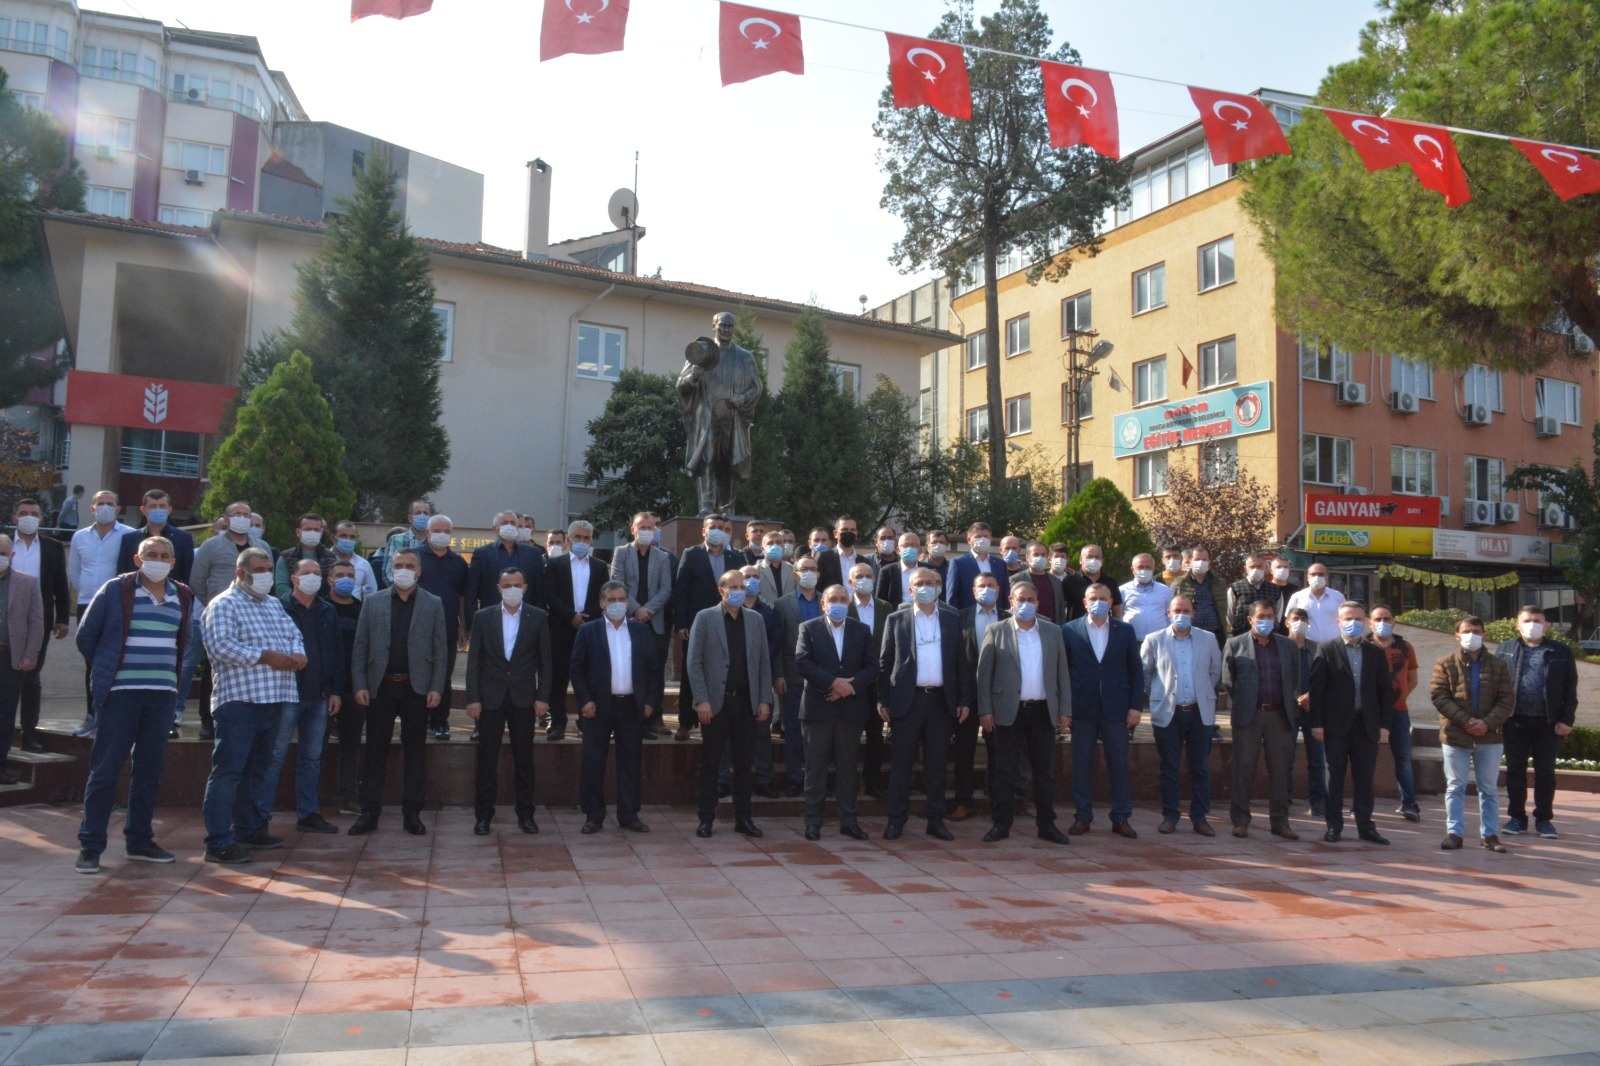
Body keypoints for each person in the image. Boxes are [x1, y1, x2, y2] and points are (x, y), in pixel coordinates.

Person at [71, 536, 189, 872]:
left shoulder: (182, 595)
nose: (158, 560)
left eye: (165, 555)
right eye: (151, 554)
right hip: (120, 694)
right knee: (106, 770)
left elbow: (184, 641)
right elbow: (86, 636)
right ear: (137, 559)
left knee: (149, 772)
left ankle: (139, 841)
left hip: (162, 695)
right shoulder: (115, 590)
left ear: (173, 563)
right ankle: (90, 846)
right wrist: (108, 667)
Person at [199, 547, 305, 864]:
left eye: (268, 569)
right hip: (239, 701)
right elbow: (220, 646)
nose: (265, 576)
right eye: (258, 570)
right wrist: (264, 656)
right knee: (229, 771)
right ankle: (218, 841)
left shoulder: (273, 604)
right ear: (240, 573)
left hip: (275, 699)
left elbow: (294, 635)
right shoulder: (224, 604)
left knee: (257, 770)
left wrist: (298, 654)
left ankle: (249, 829)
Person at [349, 548, 449, 836]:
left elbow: (440, 650)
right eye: (398, 565)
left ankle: (412, 814)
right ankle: (369, 813)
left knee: (415, 752)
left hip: (416, 688)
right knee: (375, 751)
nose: (403, 570)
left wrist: (436, 687)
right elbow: (360, 645)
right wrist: (360, 684)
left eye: (409, 565)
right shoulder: (373, 601)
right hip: (380, 687)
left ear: (419, 571)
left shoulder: (433, 603)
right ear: (390, 570)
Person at [878, 567, 972, 841]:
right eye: (919, 583)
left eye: (930, 583)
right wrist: (883, 699)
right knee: (901, 765)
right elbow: (885, 663)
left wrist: (963, 699)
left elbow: (961, 663)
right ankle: (896, 821)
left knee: (937, 766)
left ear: (938, 587)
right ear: (910, 589)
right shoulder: (896, 619)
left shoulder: (952, 619)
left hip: (941, 702)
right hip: (907, 702)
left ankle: (935, 821)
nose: (925, 587)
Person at [977, 580, 1072, 844]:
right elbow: (984, 675)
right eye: (1021, 599)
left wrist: (1065, 710)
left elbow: (1062, 673)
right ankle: (1001, 824)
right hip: (1008, 711)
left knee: (1044, 772)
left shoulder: (1053, 631)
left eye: (1031, 600)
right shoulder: (996, 631)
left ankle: (1047, 825)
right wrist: (985, 709)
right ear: (1011, 602)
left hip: (1043, 711)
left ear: (1038, 603)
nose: (1026, 604)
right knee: (1004, 771)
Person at [465, 566, 551, 835]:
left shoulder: (538, 616)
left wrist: (542, 697)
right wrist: (473, 698)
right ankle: (483, 816)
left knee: (524, 759)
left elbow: (545, 662)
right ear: (498, 589)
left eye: (517, 585)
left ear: (524, 588)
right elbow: (473, 661)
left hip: (524, 698)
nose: (512, 589)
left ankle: (526, 815)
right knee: (487, 759)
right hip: (490, 698)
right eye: (507, 585)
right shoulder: (483, 616)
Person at [260, 558, 343, 836]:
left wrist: (335, 691)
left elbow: (336, 652)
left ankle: (308, 813)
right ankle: (259, 816)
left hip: (319, 695)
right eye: (306, 573)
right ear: (293, 578)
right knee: (275, 756)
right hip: (286, 694)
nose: (312, 577)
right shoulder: (277, 607)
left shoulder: (327, 610)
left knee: (312, 757)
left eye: (317, 573)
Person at [687, 570, 773, 838]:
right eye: (733, 587)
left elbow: (763, 662)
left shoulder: (756, 620)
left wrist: (764, 699)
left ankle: (743, 818)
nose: (739, 591)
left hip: (746, 702)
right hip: (715, 703)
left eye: (742, 587)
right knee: (711, 763)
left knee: (744, 764)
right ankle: (706, 819)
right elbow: (694, 662)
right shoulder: (705, 618)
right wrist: (701, 700)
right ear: (721, 591)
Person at [572, 581, 657, 834]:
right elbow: (577, 669)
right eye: (611, 600)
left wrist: (650, 701)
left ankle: (629, 815)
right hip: (598, 706)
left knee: (630, 762)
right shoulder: (588, 631)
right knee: (593, 761)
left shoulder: (641, 631)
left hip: (631, 706)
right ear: (602, 603)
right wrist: (585, 700)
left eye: (621, 599)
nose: (617, 604)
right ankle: (594, 816)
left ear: (628, 602)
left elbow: (653, 669)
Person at [1305, 601, 1393, 845]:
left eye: (1357, 618)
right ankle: (1334, 826)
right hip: (1336, 726)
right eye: (1348, 618)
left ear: (1365, 622)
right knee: (1335, 777)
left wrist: (1384, 725)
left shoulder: (1375, 653)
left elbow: (1385, 691)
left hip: (1366, 725)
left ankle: (1365, 826)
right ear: (1339, 622)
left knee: (1364, 777)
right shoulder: (1327, 649)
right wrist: (1317, 723)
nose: (1353, 623)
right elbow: (1317, 689)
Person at [796, 583, 878, 841]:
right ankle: (813, 821)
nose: (838, 604)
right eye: (833, 599)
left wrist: (849, 688)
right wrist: (833, 683)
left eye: (843, 599)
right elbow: (803, 662)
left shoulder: (861, 630)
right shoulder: (808, 628)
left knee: (848, 769)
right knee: (815, 769)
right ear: (823, 603)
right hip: (818, 710)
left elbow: (872, 667)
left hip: (850, 710)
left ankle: (849, 821)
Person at [1062, 583, 1144, 837]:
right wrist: (1065, 708)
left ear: (1111, 602)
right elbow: (1063, 672)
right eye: (1092, 598)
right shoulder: (1069, 630)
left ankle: (1121, 817)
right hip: (1081, 709)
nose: (1097, 602)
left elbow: (1135, 670)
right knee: (1081, 765)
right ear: (1085, 602)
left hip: (1116, 709)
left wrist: (1135, 706)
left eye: (1103, 598)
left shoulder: (1125, 631)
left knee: (1118, 765)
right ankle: (1082, 816)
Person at [1431, 615, 1514, 852]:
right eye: (1467, 631)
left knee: (1488, 788)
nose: (1472, 636)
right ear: (1457, 636)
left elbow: (1507, 699)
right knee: (1455, 786)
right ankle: (1454, 833)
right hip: (1456, 735)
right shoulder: (1445, 663)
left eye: (1476, 631)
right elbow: (1439, 696)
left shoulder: (1498, 665)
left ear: (1484, 635)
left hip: (1489, 736)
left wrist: (1486, 723)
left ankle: (1489, 835)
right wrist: (1466, 721)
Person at [1141, 595, 1222, 836]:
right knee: (1169, 767)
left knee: (1200, 768)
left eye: (1186, 611)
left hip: (1199, 713)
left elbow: (1214, 671)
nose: (1181, 615)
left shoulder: (1208, 639)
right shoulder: (1154, 639)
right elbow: (1145, 673)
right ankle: (1170, 816)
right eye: (1177, 610)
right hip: (1168, 713)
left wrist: (1202, 692)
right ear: (1168, 613)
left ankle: (1200, 817)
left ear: (1193, 613)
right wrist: (1159, 695)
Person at [190, 501, 271, 741]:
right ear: (226, 519)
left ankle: (247, 718)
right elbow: (197, 580)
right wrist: (213, 604)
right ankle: (208, 720)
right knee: (212, 668)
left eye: (246, 514)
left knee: (250, 664)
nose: (242, 518)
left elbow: (267, 577)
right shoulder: (211, 546)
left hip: (253, 616)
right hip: (221, 615)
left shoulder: (262, 546)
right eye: (237, 514)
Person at [1496, 605, 1578, 839]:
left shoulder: (1560, 651)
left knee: (1545, 773)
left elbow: (1570, 689)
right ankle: (1516, 818)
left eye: (1537, 620)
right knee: (1515, 772)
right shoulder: (1505, 649)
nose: (1532, 624)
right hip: (1515, 721)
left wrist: (1566, 719)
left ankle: (1544, 820)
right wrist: (1498, 715)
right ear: (1517, 625)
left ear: (1546, 625)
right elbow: (1496, 684)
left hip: (1548, 723)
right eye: (1527, 620)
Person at [1224, 601, 1301, 840]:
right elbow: (1228, 681)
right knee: (1243, 769)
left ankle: (1280, 822)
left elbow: (1294, 678)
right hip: (1250, 716)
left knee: (1280, 771)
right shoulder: (1235, 644)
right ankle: (1240, 821)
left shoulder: (1287, 646)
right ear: (1250, 619)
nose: (1266, 620)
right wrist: (1246, 702)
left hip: (1280, 715)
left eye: (1270, 616)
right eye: (1261, 616)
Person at [678, 311, 762, 514]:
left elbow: (756, 387)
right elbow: (680, 385)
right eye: (722, 325)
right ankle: (706, 507)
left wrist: (743, 398)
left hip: (733, 416)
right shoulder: (701, 352)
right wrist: (693, 377)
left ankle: (727, 509)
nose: (726, 329)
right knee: (706, 459)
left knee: (731, 462)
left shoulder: (745, 357)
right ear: (714, 326)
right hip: (707, 416)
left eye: (730, 326)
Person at [673, 513, 745, 741]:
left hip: (729, 620)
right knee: (691, 670)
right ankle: (686, 722)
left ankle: (724, 718)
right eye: (713, 526)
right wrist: (681, 623)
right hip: (697, 622)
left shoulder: (736, 557)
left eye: (722, 527)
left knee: (725, 668)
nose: (717, 530)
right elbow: (681, 591)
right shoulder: (692, 554)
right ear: (704, 531)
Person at [67, 490, 133, 736]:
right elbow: (74, 571)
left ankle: (115, 718)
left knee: (118, 660)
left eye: (110, 503)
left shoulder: (129, 535)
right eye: (100, 503)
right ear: (92, 508)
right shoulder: (79, 537)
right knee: (91, 661)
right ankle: (91, 716)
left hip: (117, 605)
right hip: (87, 604)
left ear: (118, 508)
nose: (105, 507)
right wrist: (89, 594)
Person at [8, 499, 69, 754]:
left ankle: (29, 733)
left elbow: (60, 585)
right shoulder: (4, 544)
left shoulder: (52, 547)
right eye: (23, 513)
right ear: (14, 517)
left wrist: (63, 618)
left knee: (31, 679)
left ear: (41, 518)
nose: (28, 517)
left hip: (38, 622)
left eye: (34, 513)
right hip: (5, 621)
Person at [608, 511, 673, 737]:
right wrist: (636, 609)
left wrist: (648, 610)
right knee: (626, 669)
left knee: (655, 672)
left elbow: (665, 589)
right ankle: (626, 721)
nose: (646, 531)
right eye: (642, 527)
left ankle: (654, 719)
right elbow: (617, 583)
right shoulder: (621, 552)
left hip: (655, 623)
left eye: (650, 527)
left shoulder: (663, 557)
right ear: (632, 530)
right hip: (628, 619)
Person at [953, 572, 1006, 823]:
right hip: (968, 695)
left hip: (999, 695)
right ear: (974, 591)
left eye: (990, 585)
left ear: (999, 589)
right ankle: (964, 801)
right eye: (981, 586)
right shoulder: (959, 618)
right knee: (964, 751)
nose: (986, 589)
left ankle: (997, 800)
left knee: (998, 751)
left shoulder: (1008, 618)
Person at [771, 554, 825, 797]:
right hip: (792, 677)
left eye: (813, 569)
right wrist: (778, 675)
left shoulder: (829, 601)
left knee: (821, 732)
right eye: (804, 569)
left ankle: (816, 781)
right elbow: (778, 643)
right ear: (795, 574)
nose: (809, 573)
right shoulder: (782, 604)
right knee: (793, 730)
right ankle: (795, 779)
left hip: (823, 677)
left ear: (819, 574)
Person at [418, 515, 469, 741]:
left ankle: (440, 722)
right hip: (418, 629)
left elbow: (462, 597)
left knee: (443, 676)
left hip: (447, 629)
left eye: (446, 531)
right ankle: (418, 719)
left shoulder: (458, 562)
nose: (441, 534)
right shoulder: (415, 557)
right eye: (437, 530)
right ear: (427, 532)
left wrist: (463, 626)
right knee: (418, 675)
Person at [1368, 604, 1421, 821]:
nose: (1383, 623)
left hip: (1398, 711)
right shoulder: (1364, 645)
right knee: (1365, 758)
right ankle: (1362, 803)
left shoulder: (1405, 647)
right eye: (1378, 619)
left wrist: (1399, 697)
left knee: (1403, 757)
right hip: (1370, 712)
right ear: (1370, 623)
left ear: (1394, 622)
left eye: (1387, 619)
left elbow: (1412, 679)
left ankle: (1409, 804)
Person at [0, 536, 44, 787]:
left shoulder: (28, 583)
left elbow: (36, 622)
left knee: (5, 714)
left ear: (12, 556)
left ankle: (0, 765)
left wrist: (30, 654)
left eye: (3, 553)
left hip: (10, 658)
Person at [326, 559, 365, 815]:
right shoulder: (321, 608)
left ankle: (348, 797)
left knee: (351, 746)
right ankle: (310, 801)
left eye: (350, 575)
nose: (346, 579)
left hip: (354, 687)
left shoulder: (363, 609)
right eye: (340, 575)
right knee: (314, 747)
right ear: (329, 580)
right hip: (324, 688)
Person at [1285, 605, 1328, 817]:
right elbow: (1279, 678)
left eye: (1303, 619)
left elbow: (1324, 677)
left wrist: (1311, 696)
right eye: (1295, 618)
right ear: (1287, 622)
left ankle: (1318, 801)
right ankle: (1284, 799)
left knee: (1317, 759)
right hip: (1288, 709)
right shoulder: (1281, 647)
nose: (1299, 623)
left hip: (1314, 710)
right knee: (1286, 757)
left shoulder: (1317, 648)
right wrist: (1296, 698)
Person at [468, 510, 546, 620]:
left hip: (526, 618)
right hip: (491, 619)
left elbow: (540, 591)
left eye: (513, 523)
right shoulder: (482, 554)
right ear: (495, 529)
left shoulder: (533, 554)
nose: (509, 526)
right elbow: (471, 592)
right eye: (505, 523)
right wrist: (472, 622)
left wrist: (540, 621)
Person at [114, 489, 196, 585]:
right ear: (143, 510)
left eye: (162, 506)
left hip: (171, 591)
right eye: (152, 506)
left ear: (169, 510)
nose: (158, 510)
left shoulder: (183, 538)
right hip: (136, 591)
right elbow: (122, 573)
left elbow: (188, 574)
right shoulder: (130, 539)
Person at [1169, 547, 1227, 649]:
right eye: (1197, 559)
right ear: (1190, 561)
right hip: (1189, 633)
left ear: (1209, 561)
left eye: (1204, 559)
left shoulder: (1219, 583)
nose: (1200, 562)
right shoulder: (1179, 583)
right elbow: (1172, 608)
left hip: (1215, 633)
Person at [271, 513, 337, 598]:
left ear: (321, 532)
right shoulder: (286, 557)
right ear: (298, 532)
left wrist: (320, 603)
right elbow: (281, 587)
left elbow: (334, 584)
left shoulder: (331, 557)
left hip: (324, 604)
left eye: (316, 530)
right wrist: (301, 601)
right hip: (292, 604)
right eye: (308, 529)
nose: (312, 532)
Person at [946, 522, 1002, 610]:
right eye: (978, 537)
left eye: (986, 536)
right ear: (969, 540)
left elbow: (1004, 594)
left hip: (996, 614)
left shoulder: (1000, 563)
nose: (982, 540)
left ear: (990, 539)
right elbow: (952, 596)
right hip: (968, 615)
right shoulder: (958, 563)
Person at [1061, 544, 1123, 623]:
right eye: (1089, 557)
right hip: (1076, 628)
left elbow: (1117, 611)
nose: (1093, 560)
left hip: (1104, 627)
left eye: (1097, 557)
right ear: (1081, 560)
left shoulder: (1110, 582)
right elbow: (1060, 607)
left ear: (1102, 561)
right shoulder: (1069, 580)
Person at [1119, 553, 1173, 643]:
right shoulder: (1122, 590)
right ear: (1133, 570)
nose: (1144, 570)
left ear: (1153, 569)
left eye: (1148, 567)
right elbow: (1118, 615)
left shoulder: (1165, 590)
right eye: (1140, 567)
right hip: (1132, 641)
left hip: (1160, 641)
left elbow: (1170, 615)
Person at [1287, 563, 1345, 643]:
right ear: (1307, 577)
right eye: (1313, 574)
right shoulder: (1297, 597)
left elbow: (1345, 619)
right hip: (1308, 645)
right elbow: (1289, 620)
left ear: (1327, 577)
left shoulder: (1338, 597)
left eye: (1321, 574)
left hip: (1333, 645)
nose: (1317, 577)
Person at [1226, 554, 1278, 637]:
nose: (1256, 569)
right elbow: (1230, 614)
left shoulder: (1275, 589)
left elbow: (1278, 613)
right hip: (1242, 635)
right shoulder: (1235, 588)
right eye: (1252, 567)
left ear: (1266, 568)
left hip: (1269, 636)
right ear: (1245, 569)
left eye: (1259, 566)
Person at [1011, 541, 1063, 624]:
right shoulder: (1017, 579)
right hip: (1027, 626)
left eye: (1043, 555)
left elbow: (1060, 609)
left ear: (1047, 557)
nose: (1040, 558)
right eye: (1036, 555)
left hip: (1051, 627)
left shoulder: (1056, 581)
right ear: (1027, 558)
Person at [818, 515, 874, 590]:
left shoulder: (864, 561)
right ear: (835, 533)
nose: (849, 533)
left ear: (856, 533)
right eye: (845, 530)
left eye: (852, 530)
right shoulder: (823, 558)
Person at [384, 500, 432, 582]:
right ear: (410, 518)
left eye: (425, 513)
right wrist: (401, 588)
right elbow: (387, 572)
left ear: (430, 518)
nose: (422, 516)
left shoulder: (433, 543)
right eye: (418, 513)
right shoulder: (396, 540)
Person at [331, 521, 379, 598]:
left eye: (352, 537)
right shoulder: (323, 560)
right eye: (343, 536)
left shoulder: (363, 564)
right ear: (333, 539)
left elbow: (372, 592)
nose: (348, 540)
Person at [754, 530, 793, 604]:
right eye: (770, 543)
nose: (775, 546)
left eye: (778, 542)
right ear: (763, 549)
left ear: (783, 547)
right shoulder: (755, 571)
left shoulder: (792, 569)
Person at [1268, 557, 1301, 631]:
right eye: (1278, 567)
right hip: (1270, 630)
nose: (1282, 570)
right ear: (1271, 570)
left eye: (1285, 567)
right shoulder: (1266, 588)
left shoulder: (1296, 591)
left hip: (1289, 631)